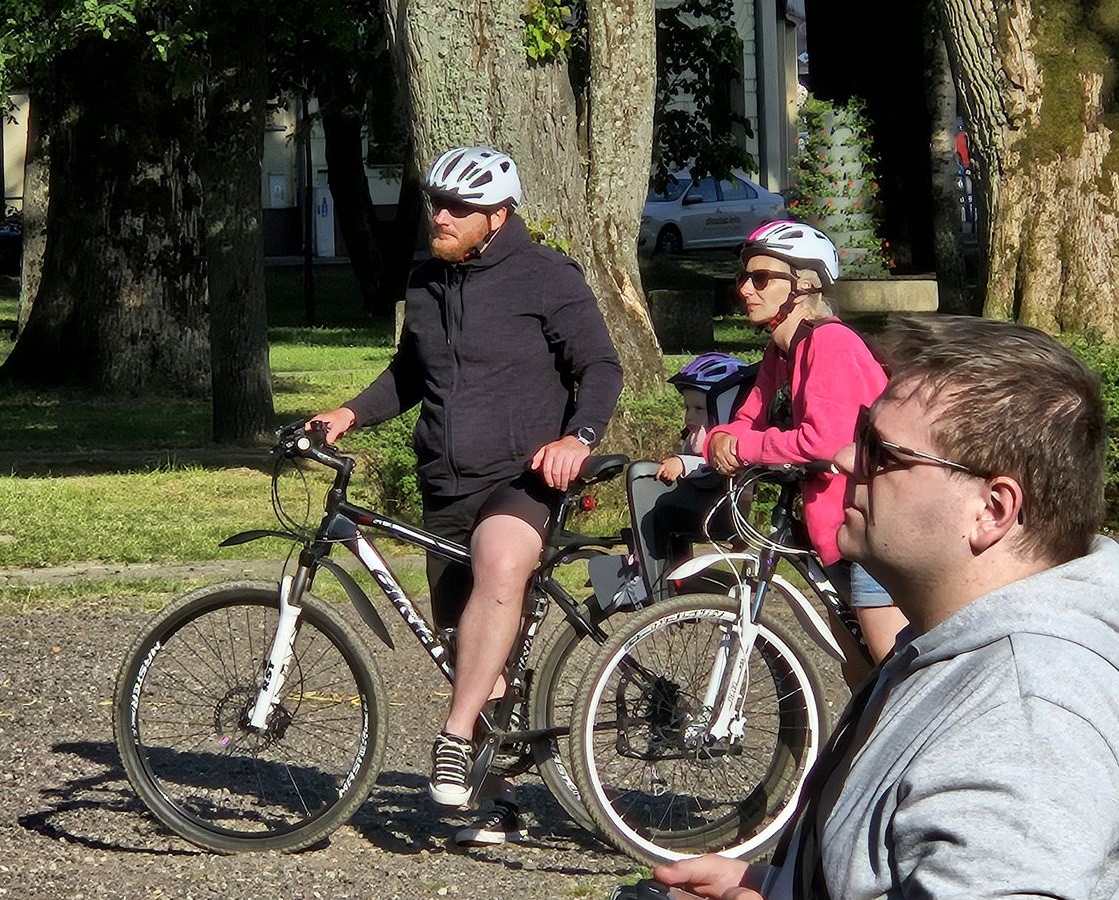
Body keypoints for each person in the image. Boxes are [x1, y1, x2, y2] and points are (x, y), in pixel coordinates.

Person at [654, 314, 1119, 898]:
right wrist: (779, 886)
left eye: (882, 451)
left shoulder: (1024, 717)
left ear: (992, 510)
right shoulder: (947, 643)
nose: (846, 459)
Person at [307, 145, 623, 846]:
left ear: (497, 216)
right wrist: (349, 413)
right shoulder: (426, 278)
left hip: (523, 477)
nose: (440, 217)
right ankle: (499, 799)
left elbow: (600, 365)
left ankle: (452, 735)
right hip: (445, 481)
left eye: (458, 208)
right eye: (436, 203)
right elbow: (409, 372)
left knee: (500, 561)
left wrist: (578, 438)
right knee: (467, 648)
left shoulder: (547, 277)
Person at [705, 220, 906, 681]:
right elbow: (747, 419)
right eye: (743, 277)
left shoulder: (830, 342)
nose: (745, 290)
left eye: (761, 279)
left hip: (875, 521)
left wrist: (744, 446)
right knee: (858, 671)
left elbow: (824, 440)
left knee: (890, 666)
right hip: (834, 524)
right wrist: (721, 438)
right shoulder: (782, 351)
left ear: (805, 286)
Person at [625, 353, 756, 602]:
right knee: (663, 516)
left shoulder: (723, 442)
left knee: (659, 508)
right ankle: (666, 571)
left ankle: (658, 580)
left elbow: (715, 464)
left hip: (715, 507)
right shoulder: (696, 436)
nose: (689, 417)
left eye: (699, 409)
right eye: (687, 408)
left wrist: (683, 464)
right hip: (704, 502)